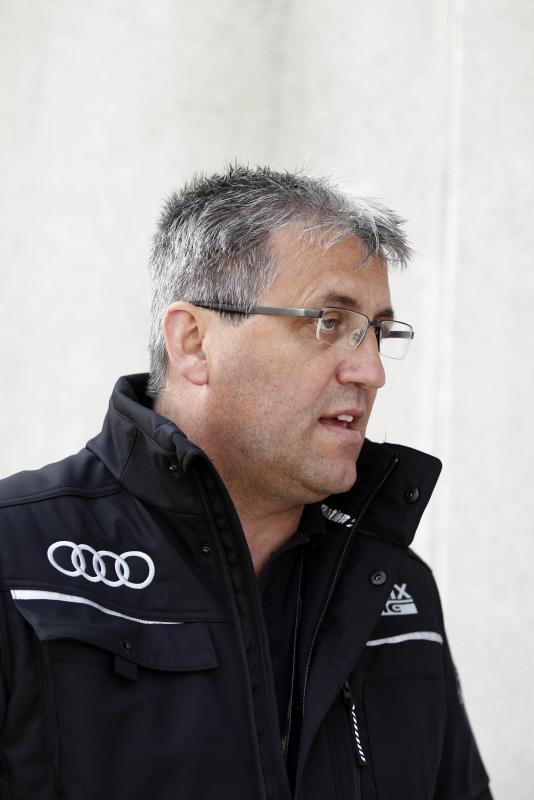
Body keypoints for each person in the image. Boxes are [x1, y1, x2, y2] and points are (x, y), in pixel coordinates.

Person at [0, 165, 492, 800]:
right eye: (329, 322)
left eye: (378, 332)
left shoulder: (395, 587)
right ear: (194, 343)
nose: (371, 371)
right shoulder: (18, 560)